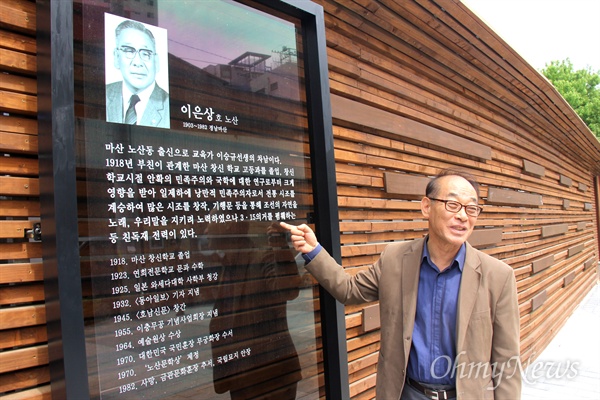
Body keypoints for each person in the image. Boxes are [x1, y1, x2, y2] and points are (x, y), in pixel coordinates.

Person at [280, 169, 521, 399]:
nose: (462, 216)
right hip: (407, 394)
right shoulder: (395, 259)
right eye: (453, 204)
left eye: (472, 209)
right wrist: (314, 251)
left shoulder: (498, 276)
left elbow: (507, 361)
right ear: (427, 207)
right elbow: (349, 290)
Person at [106, 19, 170, 128]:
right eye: (129, 51)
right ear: (117, 57)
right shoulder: (103, 94)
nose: (137, 62)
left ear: (156, 62)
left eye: (145, 54)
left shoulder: (169, 105)